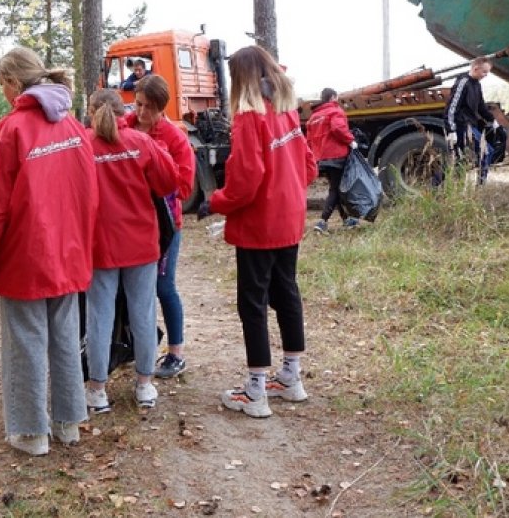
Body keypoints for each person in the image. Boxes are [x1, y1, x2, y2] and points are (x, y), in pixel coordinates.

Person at [0, 47, 97, 456]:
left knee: (25, 341)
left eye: (2, 83)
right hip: (68, 252)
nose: (2, 92)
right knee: (63, 338)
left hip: (25, 255)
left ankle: (30, 432)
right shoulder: (73, 125)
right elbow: (89, 194)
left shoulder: (14, 128)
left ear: (12, 83)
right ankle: (68, 422)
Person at [198, 46, 318, 419]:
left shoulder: (251, 118)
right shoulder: (286, 111)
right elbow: (310, 167)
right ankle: (291, 379)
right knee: (287, 293)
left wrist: (215, 201)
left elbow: (246, 181)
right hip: (290, 219)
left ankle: (255, 391)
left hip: (260, 225)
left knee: (252, 303)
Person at [84, 89, 178, 414]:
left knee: (99, 317)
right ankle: (144, 385)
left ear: (91, 111)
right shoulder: (141, 142)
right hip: (140, 243)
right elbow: (169, 182)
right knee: (142, 313)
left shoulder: (84, 146)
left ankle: (97, 391)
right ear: (122, 110)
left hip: (100, 245)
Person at [126, 74, 196, 379]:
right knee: (130, 288)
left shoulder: (174, 137)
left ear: (160, 108)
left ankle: (176, 353)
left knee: (163, 286)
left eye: (148, 108)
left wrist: (152, 179)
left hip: (164, 223)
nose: (140, 112)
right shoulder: (124, 126)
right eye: (138, 104)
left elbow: (184, 185)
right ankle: (133, 345)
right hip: (130, 222)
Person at [305, 87, 359, 233]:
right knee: (335, 189)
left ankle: (346, 219)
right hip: (336, 156)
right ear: (333, 97)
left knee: (336, 188)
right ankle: (322, 221)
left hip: (321, 158)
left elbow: (309, 141)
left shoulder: (313, 117)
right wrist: (351, 140)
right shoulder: (335, 111)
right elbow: (338, 128)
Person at [444, 56, 500, 184]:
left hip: (470, 125)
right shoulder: (463, 83)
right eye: (484, 72)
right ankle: (479, 185)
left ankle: (473, 183)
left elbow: (481, 106)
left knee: (482, 153)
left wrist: (492, 120)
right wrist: (451, 129)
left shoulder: (476, 84)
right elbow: (451, 108)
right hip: (461, 125)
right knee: (484, 152)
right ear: (476, 68)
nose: (486, 75)